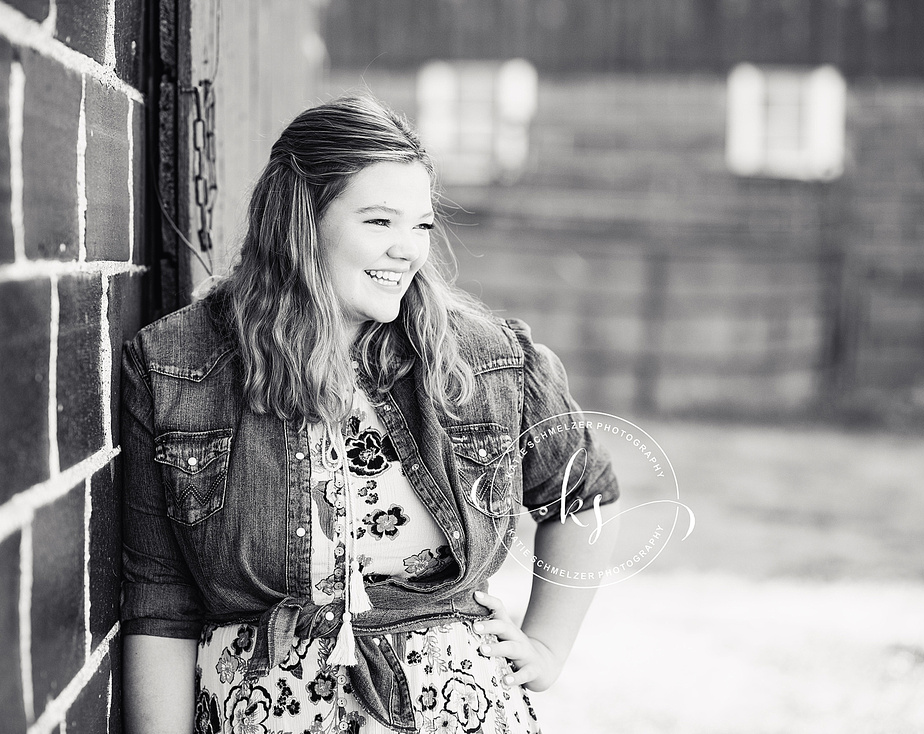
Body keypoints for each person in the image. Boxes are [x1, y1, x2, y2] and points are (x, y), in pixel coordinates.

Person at [121, 94, 619, 734]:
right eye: (380, 222)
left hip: (454, 707)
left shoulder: (485, 359)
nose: (409, 251)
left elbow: (584, 494)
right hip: (268, 710)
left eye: (422, 226)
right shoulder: (176, 366)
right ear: (300, 219)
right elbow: (159, 597)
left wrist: (547, 647)